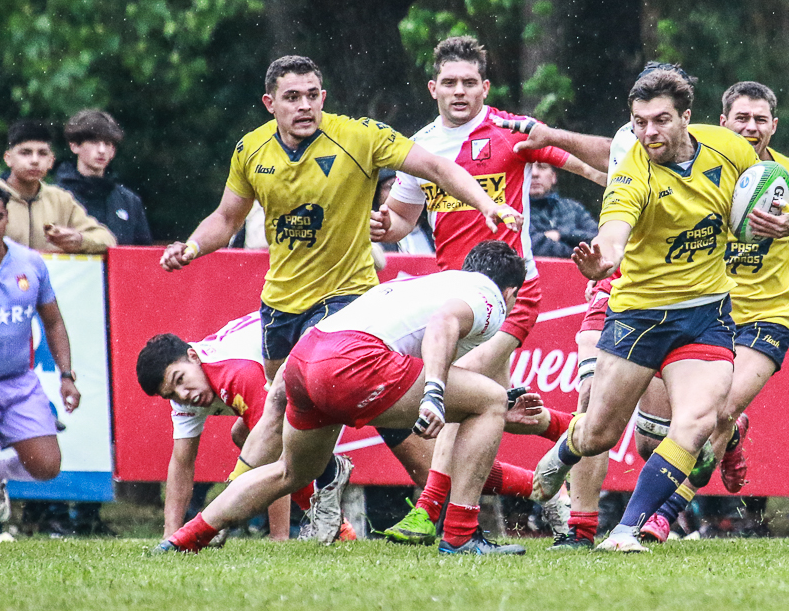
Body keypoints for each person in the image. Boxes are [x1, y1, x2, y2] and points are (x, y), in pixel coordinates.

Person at [158, 54, 520, 543]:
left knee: (337, 413)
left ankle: (443, 515)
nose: (305, 106)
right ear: (270, 104)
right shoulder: (251, 150)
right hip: (281, 305)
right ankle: (326, 487)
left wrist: (485, 202)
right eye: (292, 97)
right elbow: (226, 218)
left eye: (313, 95)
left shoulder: (359, 136)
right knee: (286, 419)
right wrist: (193, 246)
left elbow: (434, 165)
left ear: (324, 97)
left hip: (347, 302)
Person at [158, 241, 530, 556]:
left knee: (291, 471)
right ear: (511, 292)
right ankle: (461, 534)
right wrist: (434, 392)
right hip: (352, 361)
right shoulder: (491, 298)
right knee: (492, 399)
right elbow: (443, 324)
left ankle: (183, 539)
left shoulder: (437, 282)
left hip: (305, 358)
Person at [370, 36, 597, 544]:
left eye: (469, 83)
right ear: (433, 88)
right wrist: (385, 226)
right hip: (457, 301)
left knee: (458, 392)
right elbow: (405, 219)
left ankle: (435, 511)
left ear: (485, 87)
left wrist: (625, 185)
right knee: (483, 404)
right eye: (449, 83)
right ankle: (570, 437)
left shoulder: (510, 131)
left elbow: (578, 164)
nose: (459, 92)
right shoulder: (422, 147)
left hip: (513, 295)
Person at [528, 66, 761, 552]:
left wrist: (777, 219)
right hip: (639, 316)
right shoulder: (632, 169)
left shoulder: (731, 148)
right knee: (599, 434)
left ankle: (627, 529)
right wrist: (602, 259)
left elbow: (771, 195)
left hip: (705, 315)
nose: (649, 132)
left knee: (695, 423)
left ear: (686, 120)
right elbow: (614, 230)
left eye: (660, 121)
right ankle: (566, 449)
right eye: (639, 122)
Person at [633, 80, 789, 543]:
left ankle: (663, 517)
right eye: (741, 119)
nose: (751, 127)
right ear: (723, 122)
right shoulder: (698, 172)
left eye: (760, 119)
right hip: (707, 312)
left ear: (774, 125)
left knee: (713, 411)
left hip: (767, 318)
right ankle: (730, 438)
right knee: (651, 438)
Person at [137, 310, 563, 544]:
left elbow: (271, 464)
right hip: (326, 376)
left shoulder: (235, 373)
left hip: (348, 369)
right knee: (250, 439)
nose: (184, 397)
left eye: (179, 383)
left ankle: (545, 485)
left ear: (193, 357)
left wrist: (279, 539)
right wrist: (171, 529)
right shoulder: (192, 384)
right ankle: (542, 482)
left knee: (434, 468)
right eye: (171, 395)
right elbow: (181, 463)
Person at [0, 183, 81, 537]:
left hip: (18, 381)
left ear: (7, 216)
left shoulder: (30, 262)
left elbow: (53, 322)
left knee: (46, 466)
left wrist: (66, 375)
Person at [0, 120, 117, 254]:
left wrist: (80, 240)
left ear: (51, 161)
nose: (35, 160)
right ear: (8, 158)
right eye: (25, 153)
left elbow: (108, 239)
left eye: (42, 153)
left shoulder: (60, 200)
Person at [56, 109, 152, 245]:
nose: (101, 150)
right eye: (94, 142)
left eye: (107, 144)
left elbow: (141, 257)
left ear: (113, 151)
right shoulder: (54, 197)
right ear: (74, 146)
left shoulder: (130, 202)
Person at [528, 162, 599, 258]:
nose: (534, 174)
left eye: (542, 167)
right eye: (528, 168)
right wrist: (576, 253)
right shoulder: (516, 211)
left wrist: (561, 234)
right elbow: (532, 245)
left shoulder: (574, 208)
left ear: (553, 176)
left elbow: (597, 239)